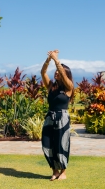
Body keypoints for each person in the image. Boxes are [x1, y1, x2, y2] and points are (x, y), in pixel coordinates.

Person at [41, 49, 74, 181]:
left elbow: (63, 75)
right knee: (47, 144)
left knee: (62, 144)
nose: (56, 72)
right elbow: (43, 72)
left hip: (63, 118)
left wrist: (56, 60)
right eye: (55, 71)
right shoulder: (50, 86)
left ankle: (63, 172)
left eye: (59, 72)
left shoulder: (68, 87)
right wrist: (49, 59)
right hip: (50, 117)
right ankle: (54, 171)